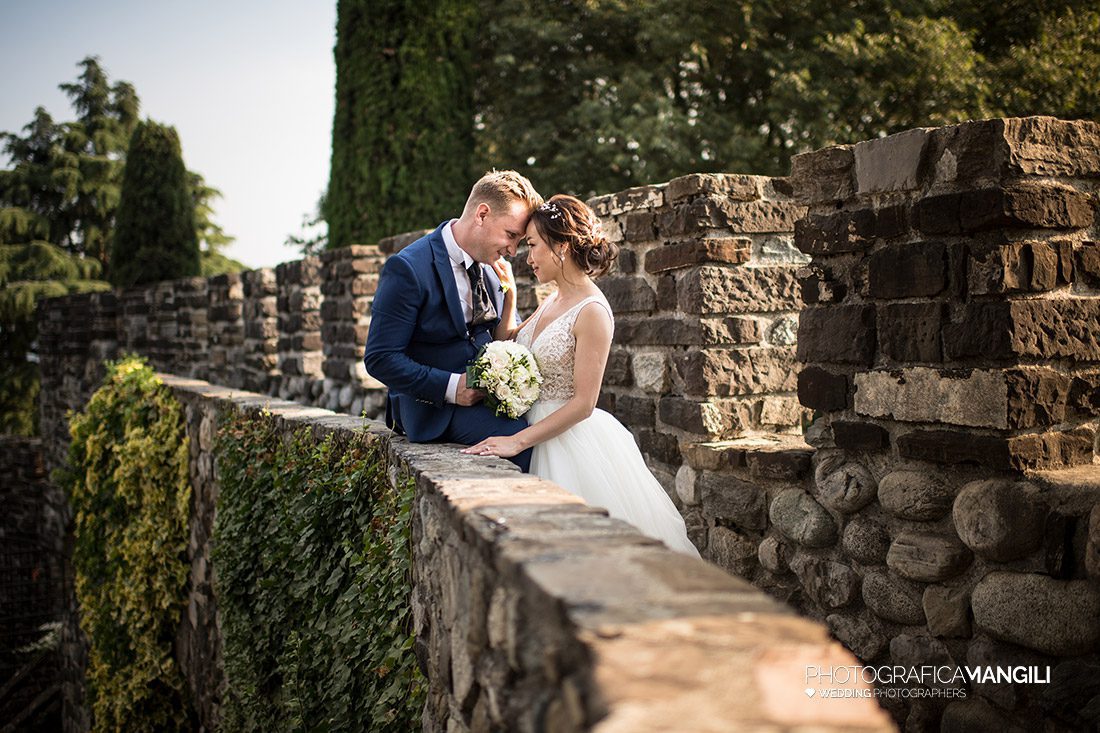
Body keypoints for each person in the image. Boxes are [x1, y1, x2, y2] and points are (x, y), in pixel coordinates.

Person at [462, 194, 700, 556]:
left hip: (568, 440)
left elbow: (584, 403)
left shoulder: (593, 311)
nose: (527, 258)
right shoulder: (552, 299)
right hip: (533, 426)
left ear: (561, 246)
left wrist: (518, 441)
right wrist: (509, 298)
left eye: (533, 246)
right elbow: (506, 341)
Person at [363, 170, 542, 471]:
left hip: (493, 398)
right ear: (482, 214)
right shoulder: (408, 268)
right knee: (526, 446)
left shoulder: (492, 269)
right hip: (435, 409)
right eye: (511, 236)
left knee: (557, 431)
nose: (512, 251)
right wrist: (452, 387)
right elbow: (380, 358)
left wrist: (510, 298)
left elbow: (503, 343)